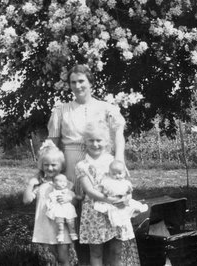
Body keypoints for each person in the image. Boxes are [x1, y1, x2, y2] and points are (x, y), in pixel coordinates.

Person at [48, 64, 130, 264]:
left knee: (107, 213)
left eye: (81, 81)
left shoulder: (106, 108)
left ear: (91, 83)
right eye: (73, 82)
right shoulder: (62, 110)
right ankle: (85, 262)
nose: (77, 86)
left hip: (103, 168)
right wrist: (48, 174)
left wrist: (119, 159)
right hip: (71, 165)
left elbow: (118, 136)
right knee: (74, 218)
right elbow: (52, 143)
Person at [76, 122, 141, 266]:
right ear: (85, 142)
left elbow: (124, 184)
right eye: (91, 140)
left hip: (116, 210)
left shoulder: (113, 162)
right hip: (93, 213)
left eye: (99, 140)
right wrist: (109, 200)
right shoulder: (82, 166)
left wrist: (125, 198)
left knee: (116, 250)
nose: (95, 144)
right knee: (96, 253)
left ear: (106, 142)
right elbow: (89, 190)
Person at [23, 140, 76, 266]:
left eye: (54, 165)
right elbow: (26, 200)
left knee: (63, 257)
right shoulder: (39, 183)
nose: (50, 168)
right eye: (46, 165)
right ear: (42, 165)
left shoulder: (64, 182)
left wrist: (69, 198)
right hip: (45, 224)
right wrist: (31, 184)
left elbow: (74, 198)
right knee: (51, 257)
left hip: (61, 224)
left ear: (61, 165)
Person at [46, 174, 78, 243]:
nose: (63, 183)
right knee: (60, 223)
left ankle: (73, 233)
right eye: (60, 181)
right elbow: (49, 201)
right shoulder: (53, 193)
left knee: (70, 222)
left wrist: (70, 198)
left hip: (68, 209)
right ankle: (60, 234)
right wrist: (49, 207)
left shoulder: (69, 191)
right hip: (59, 210)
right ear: (54, 183)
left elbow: (73, 197)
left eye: (64, 181)